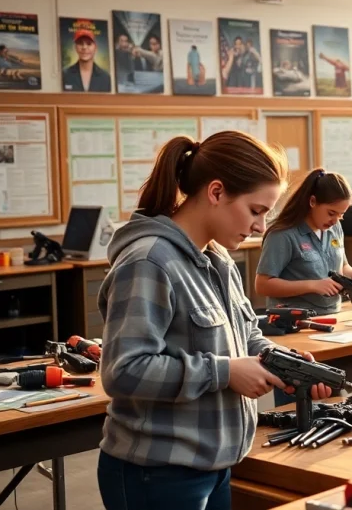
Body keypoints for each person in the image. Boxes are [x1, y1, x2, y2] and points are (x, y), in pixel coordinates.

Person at [97, 131, 331, 510]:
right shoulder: (149, 262)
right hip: (158, 473)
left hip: (216, 465)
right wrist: (224, 372)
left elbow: (246, 336)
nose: (260, 226)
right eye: (255, 211)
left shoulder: (218, 259)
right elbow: (123, 371)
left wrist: (281, 363)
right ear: (217, 192)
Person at [255, 169, 352, 315]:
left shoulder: (335, 228)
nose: (335, 221)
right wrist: (312, 285)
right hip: (295, 320)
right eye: (331, 213)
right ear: (312, 201)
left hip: (333, 314)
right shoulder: (282, 235)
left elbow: (342, 266)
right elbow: (262, 285)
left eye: (341, 215)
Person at [63, 26, 111, 92]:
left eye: (89, 43)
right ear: (75, 47)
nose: (84, 47)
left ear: (95, 47)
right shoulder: (65, 75)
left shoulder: (105, 78)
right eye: (80, 43)